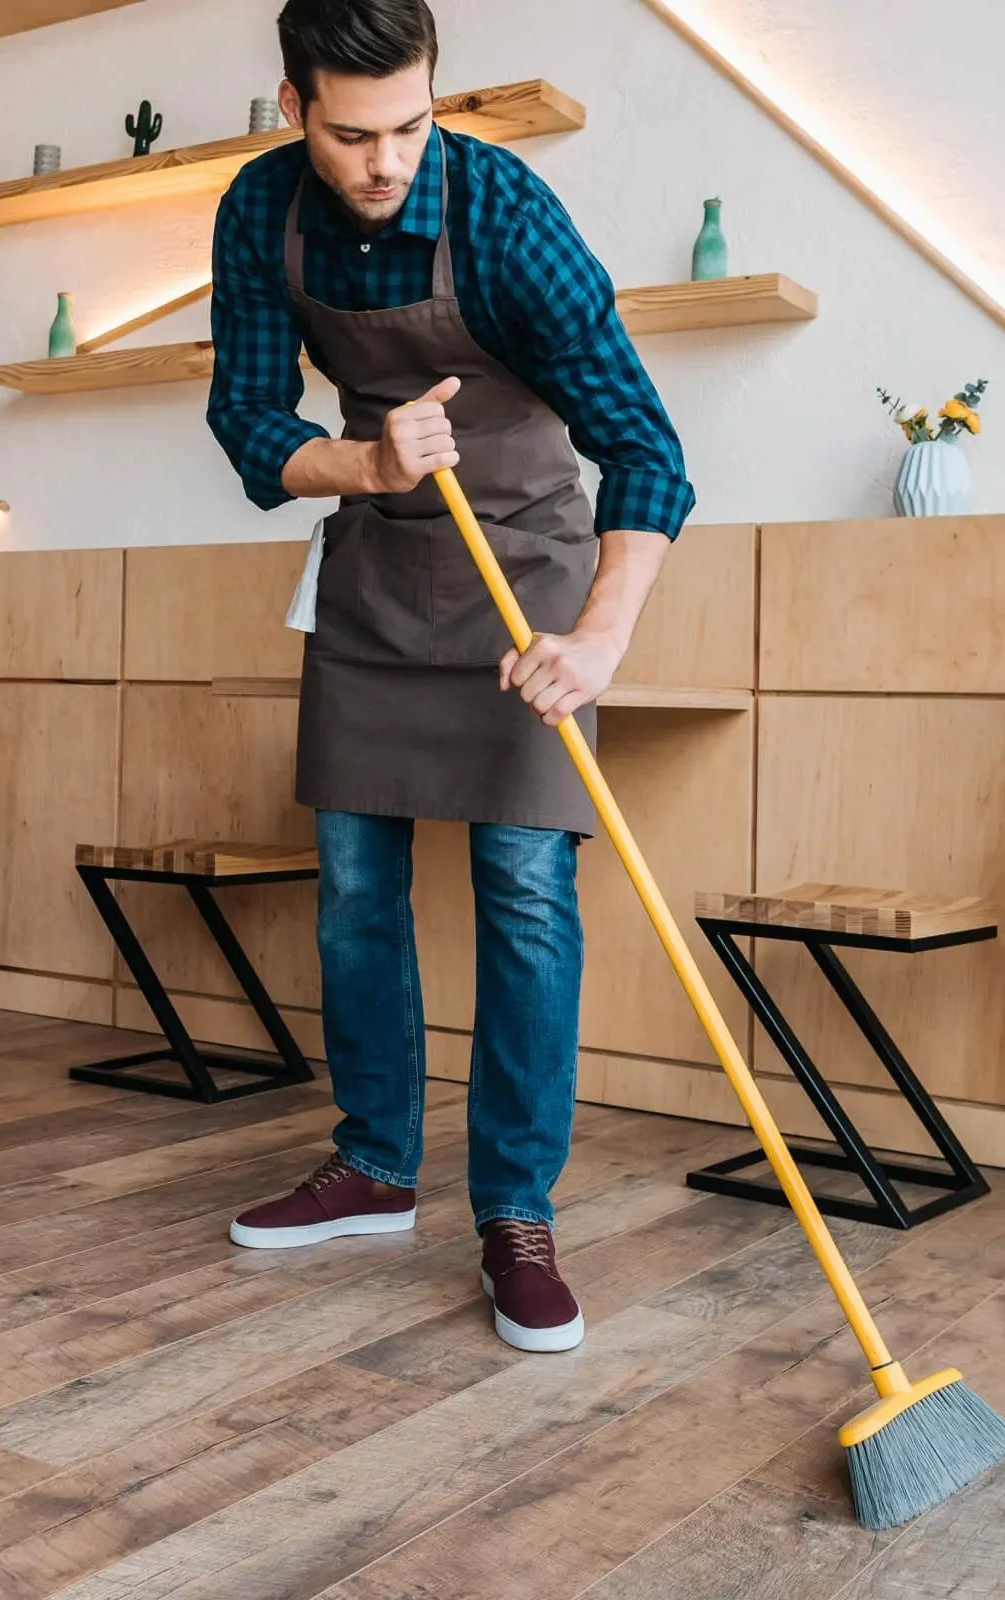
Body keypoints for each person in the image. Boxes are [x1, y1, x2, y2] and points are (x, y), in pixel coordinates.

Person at [208, 0, 694, 1353]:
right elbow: (248, 425)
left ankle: (517, 1212)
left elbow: (647, 449)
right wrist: (363, 463)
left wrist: (597, 642)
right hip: (374, 559)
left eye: (412, 125)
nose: (386, 162)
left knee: (527, 889)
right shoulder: (259, 212)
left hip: (529, 568)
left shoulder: (503, 211)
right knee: (356, 881)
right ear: (297, 103)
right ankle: (372, 1163)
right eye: (353, 133)